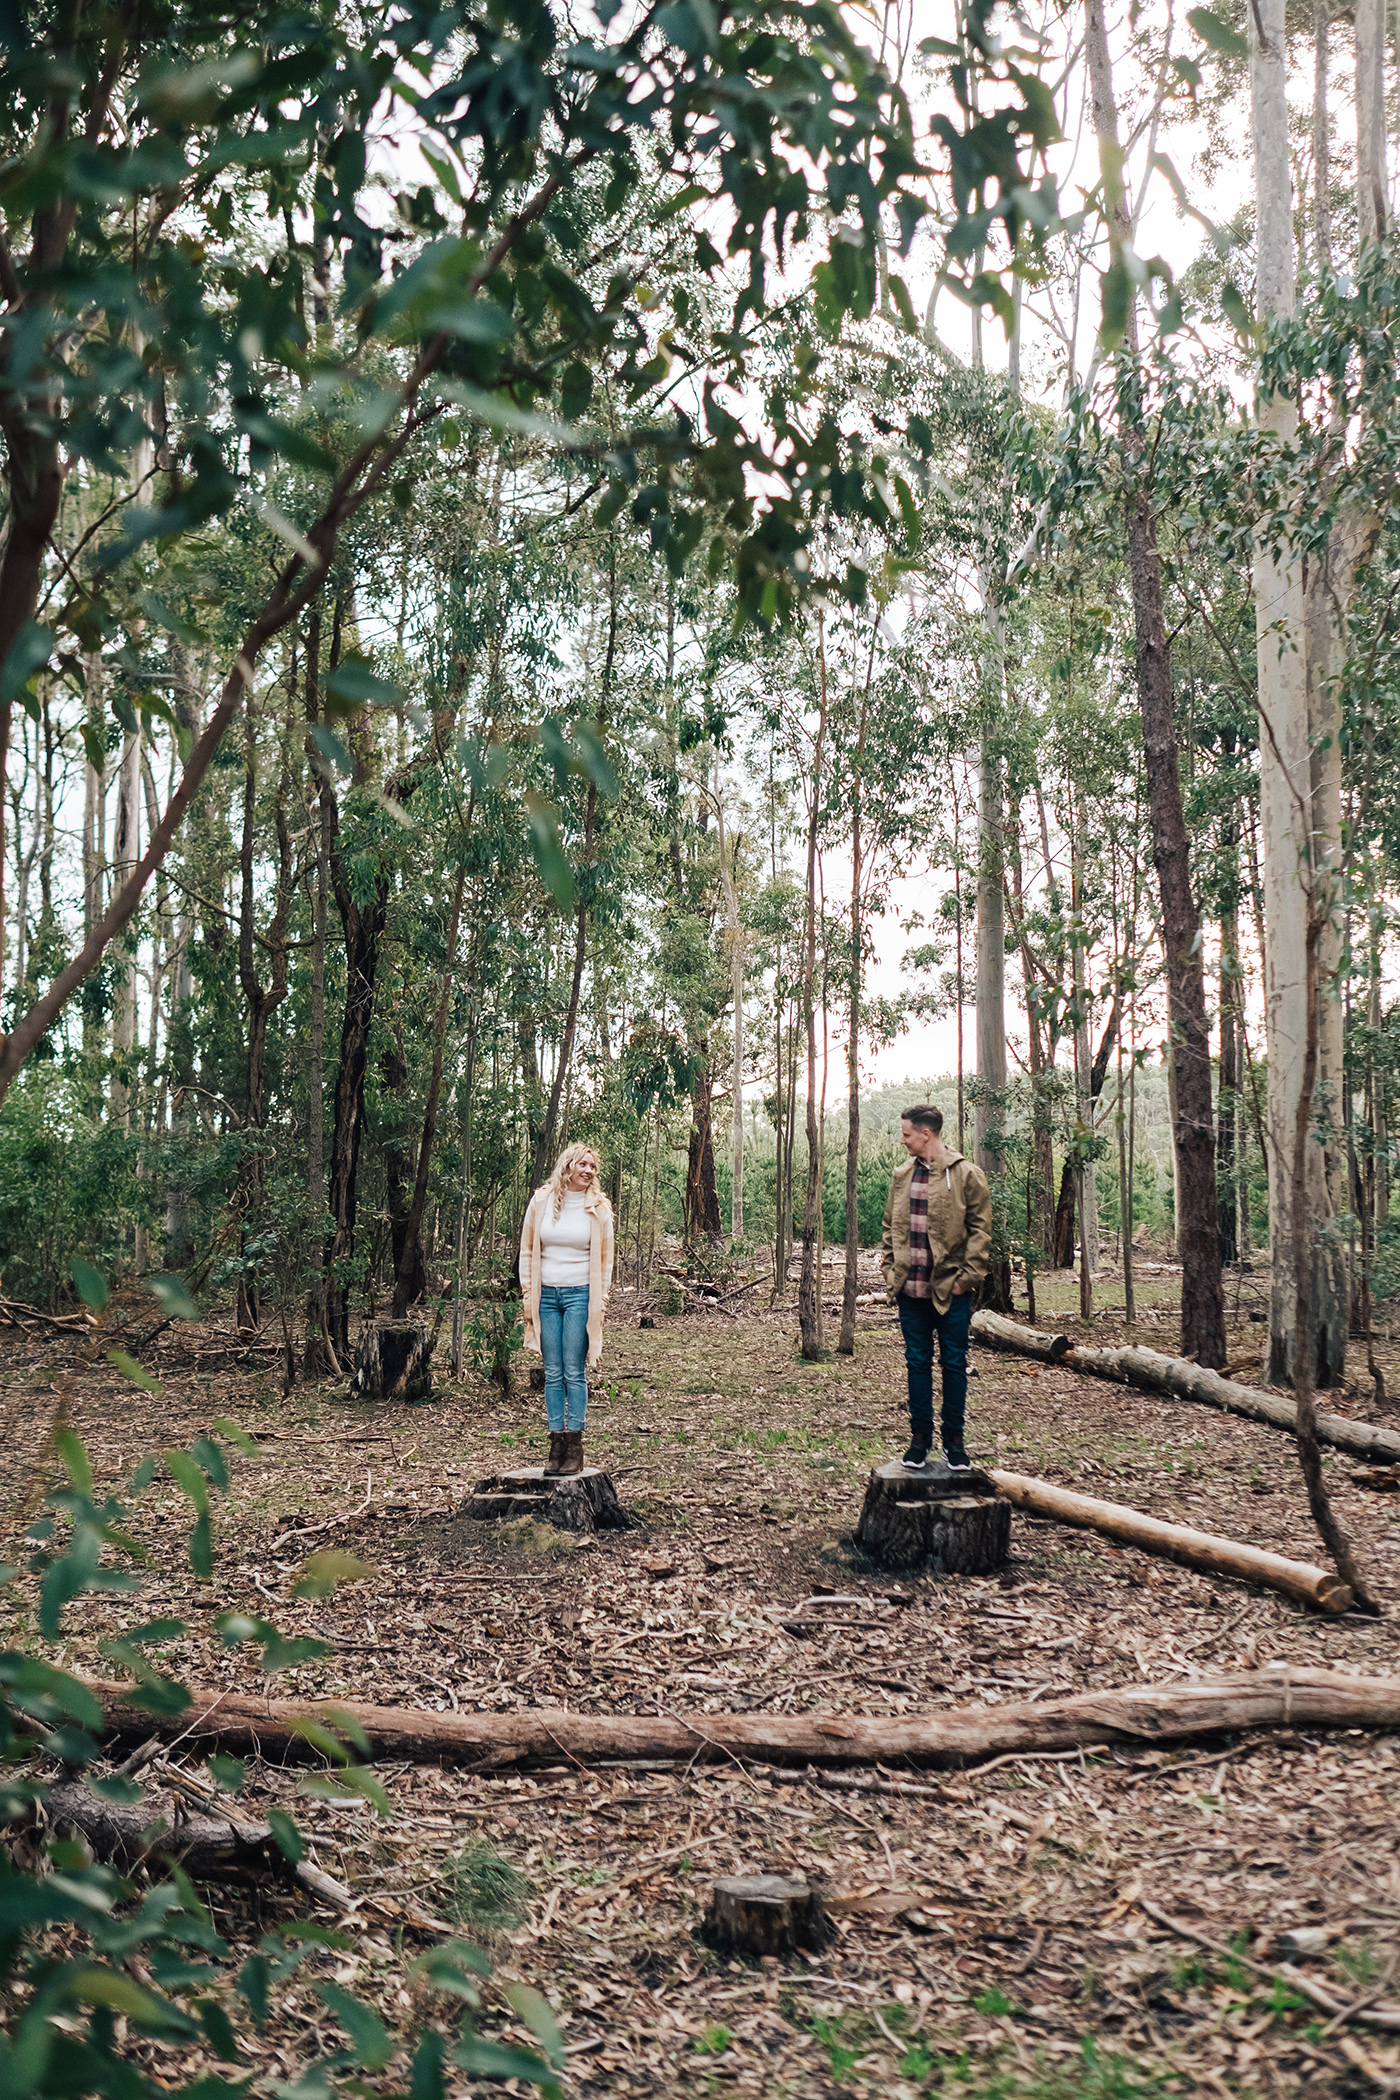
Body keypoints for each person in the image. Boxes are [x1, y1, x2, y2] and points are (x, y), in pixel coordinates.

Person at [881, 1104, 992, 1471]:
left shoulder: (966, 1174)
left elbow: (980, 1231)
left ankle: (955, 1444)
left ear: (926, 1134)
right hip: (910, 1293)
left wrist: (967, 1278)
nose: (903, 1140)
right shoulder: (902, 1176)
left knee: (954, 1364)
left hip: (952, 1293)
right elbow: (889, 1228)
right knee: (917, 1364)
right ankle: (919, 1441)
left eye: (907, 1134)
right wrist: (889, 1272)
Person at [519, 1143, 615, 1477]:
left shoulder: (599, 1209)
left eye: (593, 1167)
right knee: (552, 1372)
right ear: (568, 1166)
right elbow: (528, 1251)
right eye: (583, 1165)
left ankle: (574, 1444)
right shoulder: (541, 1201)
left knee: (573, 1371)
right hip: (546, 1297)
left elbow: (606, 1261)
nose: (589, 1171)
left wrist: (599, 1301)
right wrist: (529, 1292)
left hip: (580, 1296)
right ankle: (555, 1442)